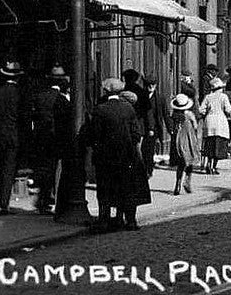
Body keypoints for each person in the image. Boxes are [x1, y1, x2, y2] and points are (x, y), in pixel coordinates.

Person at [85, 78, 151, 232]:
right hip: (126, 156)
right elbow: (136, 134)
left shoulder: (100, 110)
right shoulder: (128, 109)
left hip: (105, 158)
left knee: (105, 189)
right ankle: (129, 220)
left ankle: (104, 220)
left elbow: (94, 135)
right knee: (126, 188)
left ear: (106, 91)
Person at [28, 66, 71, 215]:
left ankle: (43, 199)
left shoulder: (40, 96)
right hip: (56, 140)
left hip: (40, 139)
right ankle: (48, 199)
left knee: (43, 168)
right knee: (53, 171)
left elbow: (33, 117)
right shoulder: (61, 100)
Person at [0, 61, 28, 215]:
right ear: (17, 78)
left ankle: (1, 201)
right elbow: (22, 117)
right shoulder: (18, 93)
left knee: (1, 169)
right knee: (9, 170)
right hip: (13, 136)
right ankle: (3, 204)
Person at [199, 77, 231, 175]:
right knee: (218, 145)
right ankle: (213, 166)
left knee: (210, 144)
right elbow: (228, 110)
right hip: (220, 122)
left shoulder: (208, 97)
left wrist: (205, 113)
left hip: (209, 122)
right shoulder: (224, 97)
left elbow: (201, 110)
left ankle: (208, 164)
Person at [169, 94, 199, 196]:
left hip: (178, 140)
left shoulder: (174, 115)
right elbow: (195, 126)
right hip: (188, 139)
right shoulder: (189, 115)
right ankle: (187, 181)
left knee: (180, 163)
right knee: (189, 160)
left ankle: (177, 184)